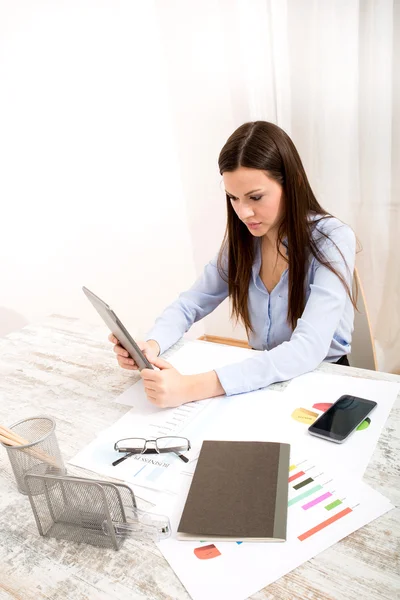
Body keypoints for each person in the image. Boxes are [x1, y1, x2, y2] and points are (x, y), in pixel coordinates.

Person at [109, 121, 356, 408]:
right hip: (260, 378)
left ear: (294, 183)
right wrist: (151, 346)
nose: (244, 212)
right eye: (233, 198)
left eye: (255, 197)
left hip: (324, 379)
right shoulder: (245, 241)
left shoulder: (333, 239)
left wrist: (191, 387)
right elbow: (191, 303)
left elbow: (307, 349)